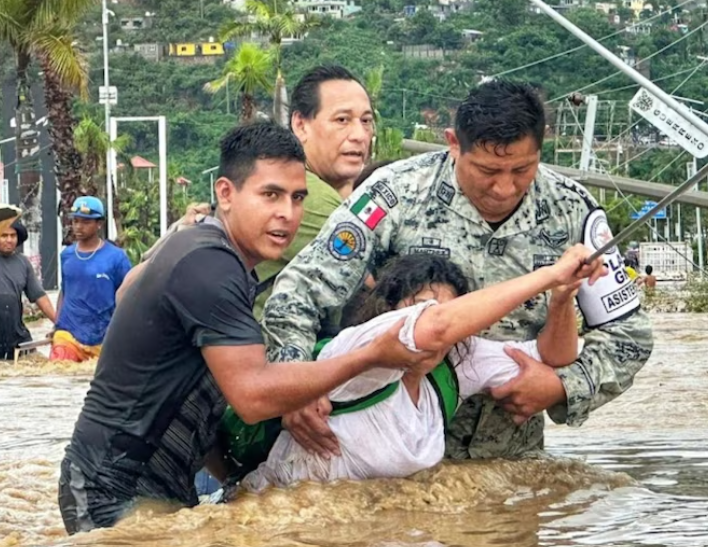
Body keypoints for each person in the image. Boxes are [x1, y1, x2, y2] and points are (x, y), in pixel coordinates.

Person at [57, 121, 438, 535]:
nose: (287, 214)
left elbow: (188, 385)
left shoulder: (207, 254)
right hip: (109, 488)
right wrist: (370, 356)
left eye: (297, 199)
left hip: (155, 484)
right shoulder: (212, 265)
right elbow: (253, 395)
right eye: (270, 195)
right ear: (226, 193)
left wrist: (234, 482)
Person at [264, 79, 654, 461]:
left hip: (512, 460)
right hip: (386, 451)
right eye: (487, 171)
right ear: (453, 143)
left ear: (541, 145)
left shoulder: (572, 209)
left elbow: (630, 335)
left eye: (521, 170)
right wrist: (295, 384)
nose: (503, 188)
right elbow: (299, 292)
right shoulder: (394, 193)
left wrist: (562, 386)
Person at [242, 249, 601, 487]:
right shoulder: (364, 345)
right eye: (422, 307)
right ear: (391, 308)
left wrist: (562, 297)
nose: (438, 320)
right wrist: (550, 274)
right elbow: (435, 327)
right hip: (287, 519)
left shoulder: (456, 361)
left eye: (450, 310)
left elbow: (553, 357)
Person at [253, 64, 375, 318]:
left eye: (366, 121)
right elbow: (377, 289)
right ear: (301, 125)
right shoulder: (308, 196)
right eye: (342, 120)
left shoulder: (288, 181)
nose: (359, 135)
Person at [51, 197, 131, 362]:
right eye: (75, 221)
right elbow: (65, 290)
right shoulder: (66, 255)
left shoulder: (117, 257)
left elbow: (129, 295)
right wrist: (57, 324)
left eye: (86, 222)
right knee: (58, 371)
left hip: (104, 335)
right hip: (68, 333)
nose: (79, 227)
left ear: (99, 224)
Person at [0, 221, 56, 363]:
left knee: (34, 365)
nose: (9, 240)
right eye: (3, 235)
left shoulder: (23, 262)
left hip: (17, 331)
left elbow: (39, 296)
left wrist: (59, 323)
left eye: (13, 235)